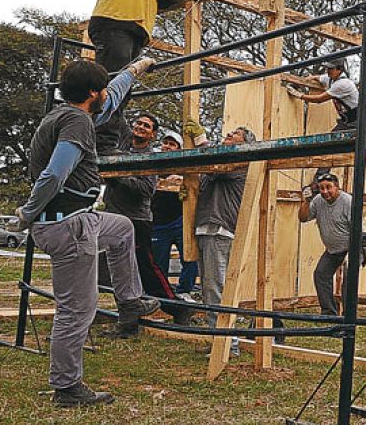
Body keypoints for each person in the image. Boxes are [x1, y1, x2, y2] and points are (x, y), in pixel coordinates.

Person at [15, 58, 160, 407]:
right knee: (77, 310)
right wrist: (27, 213)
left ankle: (130, 300)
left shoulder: (68, 113)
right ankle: (67, 387)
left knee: (122, 227)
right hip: (67, 226)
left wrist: (137, 68)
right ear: (92, 93)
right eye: (103, 91)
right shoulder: (77, 122)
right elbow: (54, 174)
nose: (108, 97)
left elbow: (114, 96)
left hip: (78, 219)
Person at [89, 0, 188, 156]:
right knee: (112, 84)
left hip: (132, 32)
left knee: (122, 89)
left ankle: (107, 141)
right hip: (114, 23)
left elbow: (161, 2)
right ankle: (102, 143)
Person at [102, 113, 192, 326]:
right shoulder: (124, 143)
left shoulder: (150, 157)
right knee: (119, 270)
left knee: (147, 270)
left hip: (136, 221)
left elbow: (146, 190)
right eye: (139, 123)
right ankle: (128, 317)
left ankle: (177, 308)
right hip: (113, 215)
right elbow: (116, 117)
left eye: (147, 126)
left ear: (152, 134)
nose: (141, 127)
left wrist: (118, 177)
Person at [291, 58, 366, 197]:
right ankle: (317, 183)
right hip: (345, 122)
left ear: (339, 69)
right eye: (328, 69)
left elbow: (320, 99)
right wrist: (307, 79)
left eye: (331, 69)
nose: (328, 71)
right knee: (328, 146)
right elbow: (319, 78)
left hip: (358, 122)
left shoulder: (344, 84)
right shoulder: (331, 79)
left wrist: (300, 96)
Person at [194, 127, 255, 327]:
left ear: (245, 143)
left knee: (216, 288)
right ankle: (218, 338)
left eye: (236, 133)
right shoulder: (219, 168)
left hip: (219, 231)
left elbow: (213, 165)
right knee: (208, 288)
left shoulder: (239, 163)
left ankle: (229, 343)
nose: (229, 134)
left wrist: (202, 141)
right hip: (207, 229)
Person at [298, 173, 354, 315]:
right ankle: (329, 313)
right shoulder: (317, 201)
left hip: (353, 246)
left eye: (329, 187)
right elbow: (303, 218)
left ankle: (349, 317)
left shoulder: (347, 201)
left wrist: (352, 252)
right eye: (321, 188)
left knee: (349, 279)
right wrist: (306, 201)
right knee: (321, 275)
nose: (325, 192)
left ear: (337, 187)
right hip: (333, 249)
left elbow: (358, 228)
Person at [151, 131, 199, 295]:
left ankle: (184, 291)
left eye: (172, 144)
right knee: (158, 263)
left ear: (178, 149)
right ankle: (163, 295)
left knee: (189, 257)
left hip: (180, 221)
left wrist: (184, 187)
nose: (167, 146)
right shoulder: (152, 167)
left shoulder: (183, 168)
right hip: (158, 223)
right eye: (165, 143)